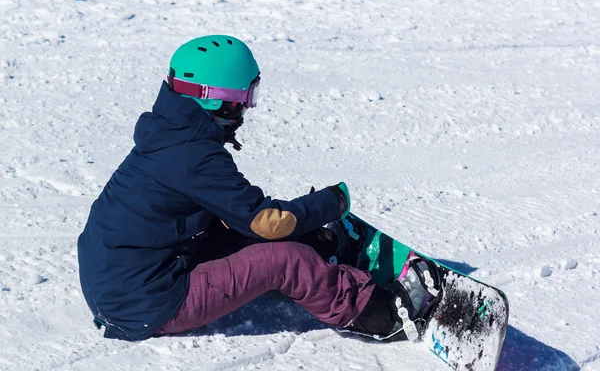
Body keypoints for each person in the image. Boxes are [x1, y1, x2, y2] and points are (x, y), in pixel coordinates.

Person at [77, 35, 441, 343]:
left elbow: (238, 211)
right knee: (283, 261)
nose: (246, 109)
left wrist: (303, 228)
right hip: (148, 302)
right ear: (214, 99)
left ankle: (318, 250)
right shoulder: (193, 156)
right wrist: (332, 203)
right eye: (244, 99)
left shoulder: (169, 134)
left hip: (120, 283)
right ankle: (380, 315)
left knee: (232, 222)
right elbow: (267, 222)